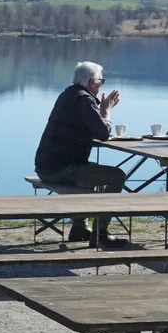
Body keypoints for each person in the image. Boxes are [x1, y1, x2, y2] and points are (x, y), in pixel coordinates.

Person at [34, 61, 128, 248]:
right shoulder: (84, 100)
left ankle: (79, 228)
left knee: (92, 173)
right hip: (60, 170)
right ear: (92, 82)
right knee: (117, 176)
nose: (102, 84)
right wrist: (107, 111)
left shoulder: (67, 95)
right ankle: (101, 233)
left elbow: (87, 125)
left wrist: (99, 113)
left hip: (45, 166)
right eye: (101, 80)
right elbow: (103, 133)